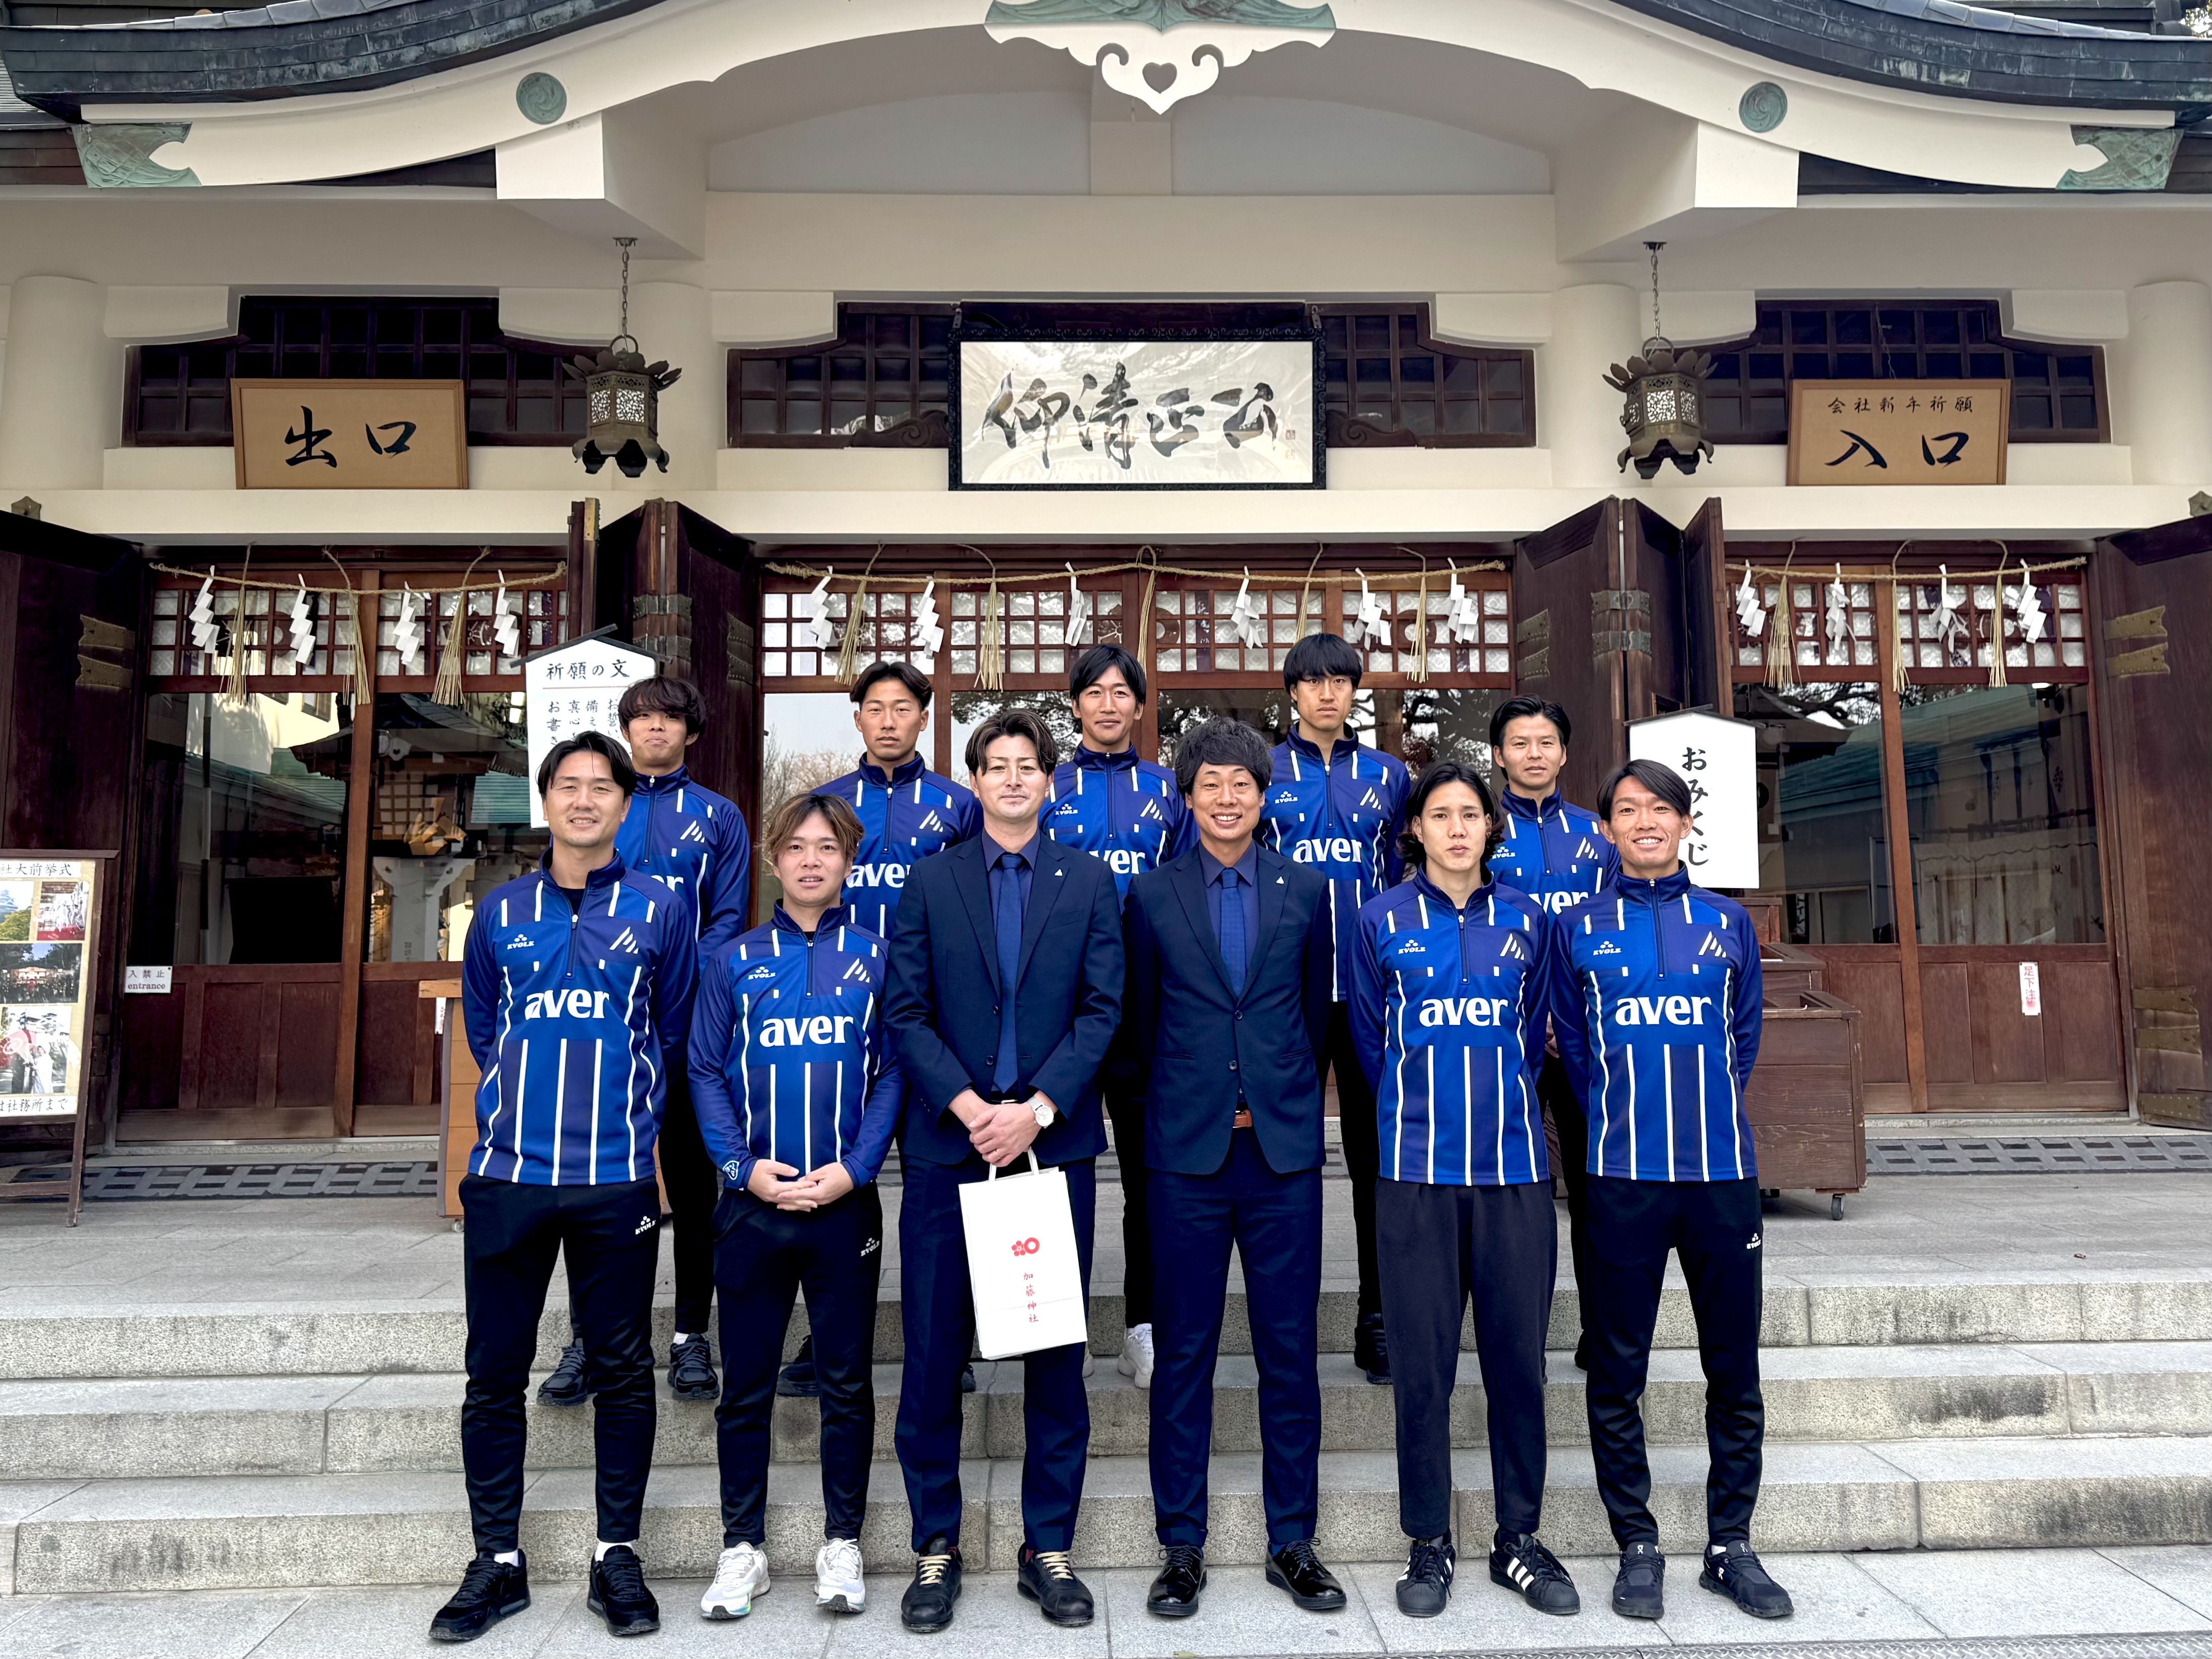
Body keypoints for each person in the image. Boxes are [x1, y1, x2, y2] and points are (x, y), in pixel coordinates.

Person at [435, 730, 698, 1643]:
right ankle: (495, 1561)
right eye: (568, 786)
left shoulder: (661, 909)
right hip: (509, 1177)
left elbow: (669, 1032)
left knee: (623, 1373)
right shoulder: (499, 911)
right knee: (493, 1375)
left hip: (616, 1180)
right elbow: (485, 1031)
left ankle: (615, 1554)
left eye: (602, 787)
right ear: (545, 801)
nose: (585, 800)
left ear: (626, 804)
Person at [884, 707, 1123, 1634]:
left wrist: (1035, 1109)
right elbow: (905, 1012)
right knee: (932, 1355)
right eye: (997, 765)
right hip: (950, 1149)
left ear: (1048, 783)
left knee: (1054, 1355)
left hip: (1049, 1150)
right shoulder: (930, 880)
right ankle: (935, 1547)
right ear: (975, 781)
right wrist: (970, 1107)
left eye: (1028, 765)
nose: (1014, 778)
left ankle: (1046, 1546)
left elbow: (1103, 1011)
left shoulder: (1087, 880)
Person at [1547, 759, 1790, 1625]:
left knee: (1734, 1369)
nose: (1644, 822)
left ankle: (1731, 1546)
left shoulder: (1727, 923)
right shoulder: (1576, 928)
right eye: (1626, 810)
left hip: (1720, 1176)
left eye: (1660, 808)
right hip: (1621, 1178)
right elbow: (1574, 1050)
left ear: (1685, 824)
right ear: (1606, 829)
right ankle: (1636, 1543)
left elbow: (1742, 1038)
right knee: (1617, 1371)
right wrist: (1626, 1115)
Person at [1122, 719, 1340, 1619]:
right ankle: (1181, 1544)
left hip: (1281, 1155)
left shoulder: (1306, 890)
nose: (1225, 798)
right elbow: (1139, 1025)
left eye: (1240, 784)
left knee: (1290, 1352)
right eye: (1208, 784)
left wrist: (1278, 1094)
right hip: (1186, 1156)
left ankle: (1294, 1540)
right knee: (1184, 1355)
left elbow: (1314, 1019)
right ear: (1186, 796)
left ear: (1263, 795)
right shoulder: (1150, 895)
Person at [1350, 762, 1576, 1621]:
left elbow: (1534, 1033)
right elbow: (1369, 1041)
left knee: (1518, 1365)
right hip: (1414, 1176)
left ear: (1490, 828)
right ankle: (1428, 1541)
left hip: (1513, 1172)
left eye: (1469, 815)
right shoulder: (1378, 919)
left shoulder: (1527, 921)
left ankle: (1518, 1538)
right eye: (1439, 815)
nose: (1455, 828)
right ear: (1414, 829)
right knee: (1422, 1371)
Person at [687, 790, 903, 1623]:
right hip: (754, 1208)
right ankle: (741, 1547)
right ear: (774, 860)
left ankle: (841, 1542)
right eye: (797, 847)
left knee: (845, 1384)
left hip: (843, 1206)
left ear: (848, 861)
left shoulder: (877, 959)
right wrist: (741, 1169)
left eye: (828, 847)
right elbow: (705, 1069)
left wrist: (856, 1169)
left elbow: (892, 1071)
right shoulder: (732, 961)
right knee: (745, 1385)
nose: (812, 860)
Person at [538, 675, 751, 1412]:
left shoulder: (719, 817)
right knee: (596, 1189)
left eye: (669, 718)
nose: (655, 729)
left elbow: (727, 919)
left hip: (688, 1028)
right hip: (607, 1028)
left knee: (693, 1188)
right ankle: (588, 1338)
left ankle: (692, 1334)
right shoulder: (601, 809)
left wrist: (680, 978)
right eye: (642, 718)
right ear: (626, 729)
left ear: (691, 731)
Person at [781, 659, 981, 1400]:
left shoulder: (959, 806)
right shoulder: (828, 805)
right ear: (858, 718)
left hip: (933, 1021)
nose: (889, 720)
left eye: (903, 708)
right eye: (875, 707)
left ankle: (952, 1339)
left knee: (940, 1188)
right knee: (835, 1173)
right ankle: (826, 1338)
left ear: (923, 717)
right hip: (844, 1015)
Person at [1258, 631, 1409, 1384]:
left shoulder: (1389, 775)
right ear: (1292, 691)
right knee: (1287, 1165)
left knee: (1376, 1162)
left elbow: (1411, 877)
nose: (1328, 693)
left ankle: (1378, 1319)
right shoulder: (1262, 772)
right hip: (1286, 996)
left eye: (1341, 681)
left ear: (1355, 691)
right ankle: (1287, 1322)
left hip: (1372, 997)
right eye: (1313, 681)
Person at [1042, 642, 1194, 1389]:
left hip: (1146, 1005)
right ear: (1075, 704)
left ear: (1139, 705)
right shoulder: (1046, 783)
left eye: (1121, 692)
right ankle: (1047, 1329)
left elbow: (1191, 887)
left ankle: (1144, 1326)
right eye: (1094, 692)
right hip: (1058, 1002)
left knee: (1147, 1174)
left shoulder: (1169, 790)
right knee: (1048, 1170)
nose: (1108, 704)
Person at [1482, 695, 1619, 1372]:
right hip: (1502, 1038)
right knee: (1513, 1192)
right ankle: (1516, 1338)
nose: (1533, 754)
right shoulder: (1478, 831)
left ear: (1564, 753)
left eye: (1545, 742)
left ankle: (1602, 1330)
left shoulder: (1600, 835)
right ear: (1498, 755)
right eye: (1519, 743)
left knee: (1595, 1187)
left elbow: (1617, 930)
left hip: (1581, 1039)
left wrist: (1575, 1020)